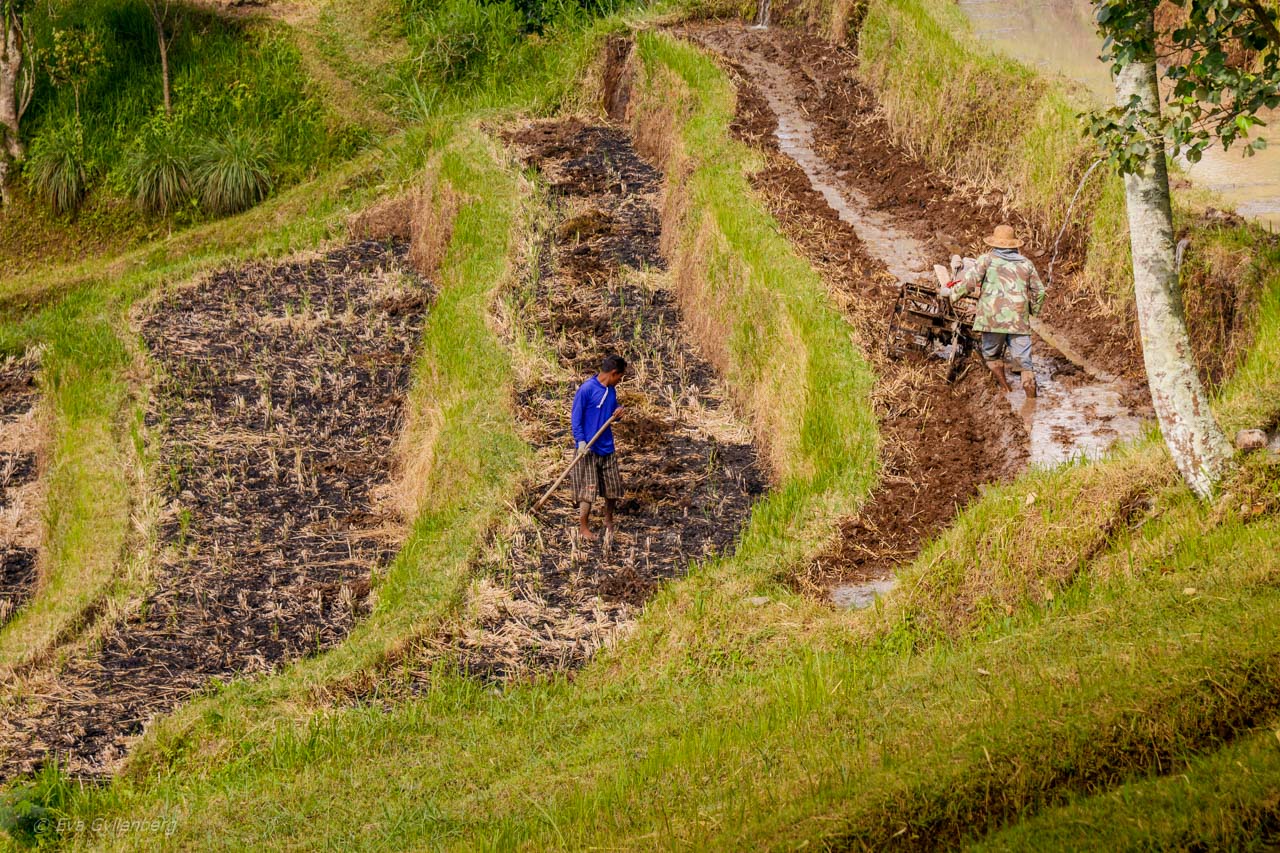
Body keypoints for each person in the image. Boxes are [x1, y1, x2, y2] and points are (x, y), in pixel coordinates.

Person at [945, 223, 1046, 397]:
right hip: (1018, 321)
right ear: (1014, 245)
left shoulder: (986, 259)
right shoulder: (1026, 264)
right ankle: (1031, 403)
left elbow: (969, 283)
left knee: (991, 356)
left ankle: (1005, 388)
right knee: (1025, 365)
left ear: (994, 244)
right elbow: (1040, 291)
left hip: (992, 319)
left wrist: (952, 294)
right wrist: (1031, 311)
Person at [569, 354, 626, 540]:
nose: (620, 381)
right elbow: (576, 419)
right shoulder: (586, 389)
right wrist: (581, 442)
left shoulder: (611, 391)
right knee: (588, 490)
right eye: (620, 377)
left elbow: (611, 412)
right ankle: (583, 527)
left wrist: (618, 413)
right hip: (588, 449)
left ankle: (608, 520)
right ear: (613, 373)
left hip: (606, 446)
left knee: (612, 487)